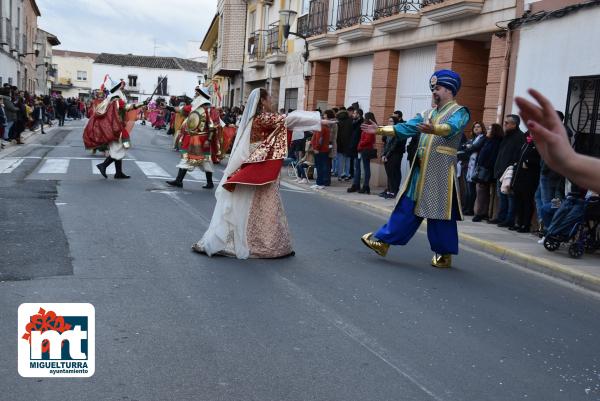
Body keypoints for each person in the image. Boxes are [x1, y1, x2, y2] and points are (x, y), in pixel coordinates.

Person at [192, 88, 321, 259]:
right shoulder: (263, 118)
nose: (272, 101)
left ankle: (256, 241)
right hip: (260, 163)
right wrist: (320, 121)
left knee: (253, 204)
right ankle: (261, 243)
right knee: (266, 203)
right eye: (269, 98)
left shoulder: (255, 119)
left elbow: (286, 125)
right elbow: (290, 119)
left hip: (257, 161)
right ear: (262, 102)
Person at [360, 69, 470, 268]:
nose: (433, 92)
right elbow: (407, 128)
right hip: (420, 170)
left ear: (449, 90)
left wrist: (435, 128)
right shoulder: (426, 114)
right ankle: (383, 241)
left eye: (437, 88)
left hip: (440, 171)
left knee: (439, 213)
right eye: (433, 89)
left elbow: (453, 127)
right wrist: (379, 130)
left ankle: (444, 253)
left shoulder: (459, 112)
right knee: (407, 206)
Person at [515, 89, 600, 195]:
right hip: (549, 171)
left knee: (551, 199)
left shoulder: (560, 134)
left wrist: (565, 163)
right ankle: (553, 209)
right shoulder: (556, 135)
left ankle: (553, 210)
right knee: (543, 198)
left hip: (550, 173)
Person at [83, 81, 147, 179]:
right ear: (118, 87)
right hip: (115, 127)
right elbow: (126, 107)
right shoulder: (116, 98)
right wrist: (142, 103)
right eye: (122, 85)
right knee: (118, 148)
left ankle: (118, 172)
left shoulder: (113, 97)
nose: (123, 86)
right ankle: (103, 166)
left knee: (118, 148)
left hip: (116, 126)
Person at [166, 87, 216, 189]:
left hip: (202, 138)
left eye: (197, 94)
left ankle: (209, 182)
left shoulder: (208, 109)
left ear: (201, 96)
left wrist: (208, 140)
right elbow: (180, 110)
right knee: (186, 158)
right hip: (191, 137)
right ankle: (178, 181)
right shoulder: (193, 107)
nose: (195, 96)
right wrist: (168, 107)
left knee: (206, 161)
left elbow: (212, 126)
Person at [489, 114, 525, 227]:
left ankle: (509, 219)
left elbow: (517, 156)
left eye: (507, 123)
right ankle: (501, 217)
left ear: (514, 124)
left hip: (510, 172)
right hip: (501, 171)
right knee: (502, 196)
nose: (504, 125)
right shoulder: (507, 136)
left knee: (510, 197)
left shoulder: (520, 137)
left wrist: (511, 168)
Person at [510, 131, 540, 232]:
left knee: (527, 201)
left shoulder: (538, 145)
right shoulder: (525, 144)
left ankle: (526, 225)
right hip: (519, 177)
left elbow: (539, 161)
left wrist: (528, 162)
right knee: (518, 201)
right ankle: (519, 222)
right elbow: (518, 158)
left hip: (529, 179)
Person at [472, 123, 502, 222]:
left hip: (487, 170)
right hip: (482, 169)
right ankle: (481, 212)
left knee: (483, 192)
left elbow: (492, 157)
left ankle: (480, 213)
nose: (487, 131)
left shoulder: (496, 142)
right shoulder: (487, 140)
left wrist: (484, 167)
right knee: (481, 192)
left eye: (490, 129)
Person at [349, 111, 376, 194]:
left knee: (365, 168)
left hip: (365, 149)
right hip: (361, 149)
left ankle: (365, 186)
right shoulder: (366, 126)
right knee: (358, 167)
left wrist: (360, 145)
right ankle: (357, 185)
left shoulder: (370, 127)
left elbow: (368, 140)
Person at [381, 115, 406, 199]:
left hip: (394, 155)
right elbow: (385, 144)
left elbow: (393, 145)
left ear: (395, 122)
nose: (389, 123)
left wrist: (386, 155)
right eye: (389, 121)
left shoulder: (397, 132)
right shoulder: (388, 131)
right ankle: (389, 190)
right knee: (389, 173)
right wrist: (383, 155)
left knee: (393, 173)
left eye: (391, 121)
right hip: (387, 155)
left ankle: (393, 191)